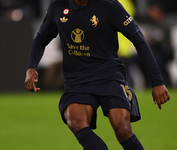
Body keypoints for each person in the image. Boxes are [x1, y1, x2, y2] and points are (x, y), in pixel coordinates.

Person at [24, 0, 170, 149]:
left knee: (122, 128)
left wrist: (157, 81)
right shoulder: (58, 6)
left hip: (109, 75)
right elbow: (41, 38)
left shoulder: (110, 5)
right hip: (77, 79)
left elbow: (138, 39)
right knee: (75, 121)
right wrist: (31, 67)